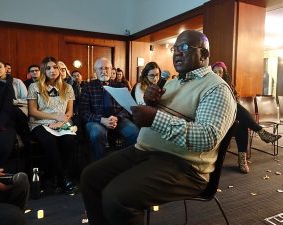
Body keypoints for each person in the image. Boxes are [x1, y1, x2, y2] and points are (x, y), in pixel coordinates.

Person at [80, 30, 236, 225]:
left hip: (184, 165)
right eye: (175, 48)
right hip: (146, 151)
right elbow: (155, 119)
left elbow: (206, 137)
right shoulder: (171, 83)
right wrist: (149, 105)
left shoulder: (216, 89)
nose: (177, 53)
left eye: (184, 48)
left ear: (204, 54)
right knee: (90, 177)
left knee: (117, 198)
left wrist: (154, 117)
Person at [212, 61, 281, 173]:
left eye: (220, 72)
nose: (217, 74)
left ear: (224, 74)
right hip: (217, 121)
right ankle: (261, 132)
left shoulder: (229, 87)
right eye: (215, 72)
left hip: (231, 120)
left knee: (241, 125)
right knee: (235, 106)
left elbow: (235, 103)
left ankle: (242, 161)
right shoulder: (209, 86)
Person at [27, 56, 76, 194]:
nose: (52, 70)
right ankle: (62, 178)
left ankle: (55, 176)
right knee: (49, 140)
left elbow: (70, 111)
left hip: (61, 122)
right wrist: (54, 117)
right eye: (48, 68)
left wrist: (61, 122)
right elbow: (33, 111)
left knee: (69, 140)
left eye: (55, 67)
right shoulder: (34, 86)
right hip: (39, 122)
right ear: (43, 70)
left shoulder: (68, 87)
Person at [78, 57, 139, 160]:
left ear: (111, 70)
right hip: (96, 120)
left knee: (134, 132)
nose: (104, 71)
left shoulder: (120, 86)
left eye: (106, 68)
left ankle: (125, 160)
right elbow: (83, 111)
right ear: (95, 71)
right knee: (97, 134)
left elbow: (127, 107)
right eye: (100, 68)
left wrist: (117, 118)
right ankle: (98, 165)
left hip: (117, 119)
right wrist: (102, 120)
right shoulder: (88, 87)